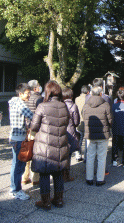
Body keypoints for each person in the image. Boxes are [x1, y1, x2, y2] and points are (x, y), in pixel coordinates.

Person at [30, 80, 69, 210]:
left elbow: (34, 126)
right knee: (58, 173)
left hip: (45, 146)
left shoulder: (42, 106)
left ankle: (45, 202)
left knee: (44, 174)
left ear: (48, 92)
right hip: (60, 144)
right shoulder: (64, 106)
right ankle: (58, 200)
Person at [82, 86, 113, 186]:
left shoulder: (86, 105)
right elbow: (110, 120)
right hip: (103, 135)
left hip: (90, 135)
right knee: (101, 157)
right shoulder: (105, 105)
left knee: (90, 157)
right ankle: (100, 179)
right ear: (101, 94)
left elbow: (84, 117)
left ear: (91, 94)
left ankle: (89, 178)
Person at [8, 83, 33, 200]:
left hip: (14, 137)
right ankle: (17, 190)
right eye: (28, 93)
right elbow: (31, 115)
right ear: (20, 93)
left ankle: (13, 187)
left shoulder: (13, 102)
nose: (29, 95)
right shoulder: (20, 103)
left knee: (15, 164)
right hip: (19, 139)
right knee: (19, 165)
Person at [22, 80, 42, 186]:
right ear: (35, 88)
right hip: (35, 129)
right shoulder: (39, 98)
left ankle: (25, 176)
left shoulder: (24, 98)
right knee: (35, 152)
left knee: (26, 151)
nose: (40, 87)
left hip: (26, 128)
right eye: (39, 86)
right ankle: (35, 178)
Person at [62, 87, 80, 182]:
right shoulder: (73, 106)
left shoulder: (60, 105)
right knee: (68, 153)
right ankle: (66, 175)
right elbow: (76, 121)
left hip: (61, 131)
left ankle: (60, 172)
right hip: (70, 130)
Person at [75, 85, 90, 162]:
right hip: (87, 122)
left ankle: (78, 155)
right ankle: (86, 157)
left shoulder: (77, 99)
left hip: (79, 122)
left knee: (79, 140)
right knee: (87, 140)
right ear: (88, 92)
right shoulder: (89, 99)